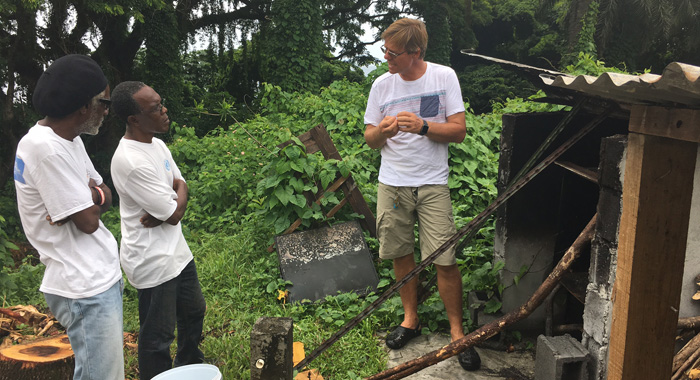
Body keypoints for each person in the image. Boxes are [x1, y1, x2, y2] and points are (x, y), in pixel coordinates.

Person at [363, 18, 481, 371]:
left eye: (393, 53)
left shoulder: (443, 77)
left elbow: (459, 131)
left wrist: (425, 126)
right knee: (401, 254)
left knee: (445, 258)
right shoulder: (381, 86)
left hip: (432, 184)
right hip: (393, 183)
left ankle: (457, 332)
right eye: (384, 50)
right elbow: (369, 138)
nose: (387, 58)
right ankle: (410, 320)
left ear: (416, 52)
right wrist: (382, 132)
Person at [14, 54, 124, 379]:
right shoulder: (45, 149)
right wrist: (89, 198)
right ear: (83, 106)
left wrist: (90, 195)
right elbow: (89, 222)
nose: (107, 110)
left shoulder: (69, 140)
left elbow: (106, 194)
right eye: (104, 102)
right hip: (82, 285)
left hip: (95, 277)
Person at [109, 81, 206, 380]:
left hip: (176, 251)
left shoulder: (157, 143)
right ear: (133, 119)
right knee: (158, 336)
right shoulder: (131, 161)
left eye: (161, 103)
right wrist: (172, 203)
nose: (164, 111)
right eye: (155, 108)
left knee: (194, 312)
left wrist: (175, 196)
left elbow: (180, 185)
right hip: (152, 259)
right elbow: (175, 213)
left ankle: (189, 368)